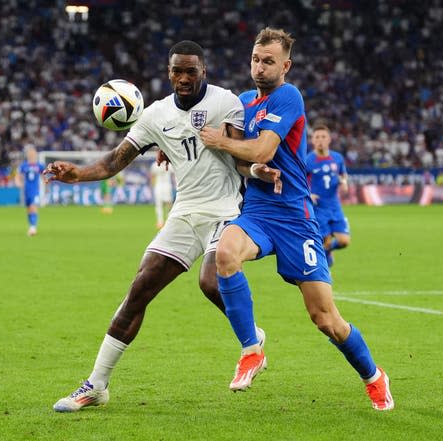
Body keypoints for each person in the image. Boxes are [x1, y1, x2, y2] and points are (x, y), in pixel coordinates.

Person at [44, 40, 270, 413]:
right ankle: (96, 386)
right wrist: (78, 174)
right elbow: (115, 161)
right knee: (139, 290)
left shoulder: (226, 102)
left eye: (190, 71)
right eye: (176, 71)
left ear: (203, 72)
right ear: (168, 73)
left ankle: (250, 336)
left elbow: (241, 156)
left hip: (225, 210)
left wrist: (258, 169)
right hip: (184, 214)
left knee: (210, 282)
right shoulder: (154, 115)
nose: (183, 78)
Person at [199, 27, 394, 411]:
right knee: (225, 254)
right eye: (255, 59)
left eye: (268, 61)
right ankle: (252, 350)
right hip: (257, 210)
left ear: (285, 65)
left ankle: (373, 376)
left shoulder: (289, 96)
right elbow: (244, 161)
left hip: (295, 219)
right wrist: (253, 172)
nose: (259, 67)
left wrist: (225, 144)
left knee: (325, 319)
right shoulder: (242, 102)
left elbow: (262, 148)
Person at [305, 122, 350, 267]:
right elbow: (299, 183)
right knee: (323, 242)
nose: (320, 140)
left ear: (329, 139)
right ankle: (325, 275)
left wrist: (344, 183)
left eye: (323, 137)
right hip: (318, 208)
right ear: (312, 140)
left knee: (344, 241)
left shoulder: (337, 158)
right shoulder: (307, 161)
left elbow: (343, 174)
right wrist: (308, 195)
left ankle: (328, 251)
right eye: (317, 137)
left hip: (334, 205)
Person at [15, 146, 45, 236]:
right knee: (28, 208)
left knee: (33, 207)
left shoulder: (39, 165)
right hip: (26, 189)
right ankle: (31, 226)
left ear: (35, 155)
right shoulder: (24, 165)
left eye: (33, 154)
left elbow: (43, 176)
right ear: (28, 155)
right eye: (30, 154)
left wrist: (46, 185)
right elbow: (18, 175)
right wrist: (18, 182)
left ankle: (33, 227)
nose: (32, 155)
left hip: (35, 189)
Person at [150, 160, 175, 228]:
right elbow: (152, 176)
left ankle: (169, 221)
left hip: (167, 185)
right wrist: (152, 186)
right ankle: (160, 222)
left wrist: (175, 185)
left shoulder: (169, 165)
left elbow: (173, 175)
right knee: (159, 204)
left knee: (169, 204)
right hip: (158, 186)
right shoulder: (155, 165)